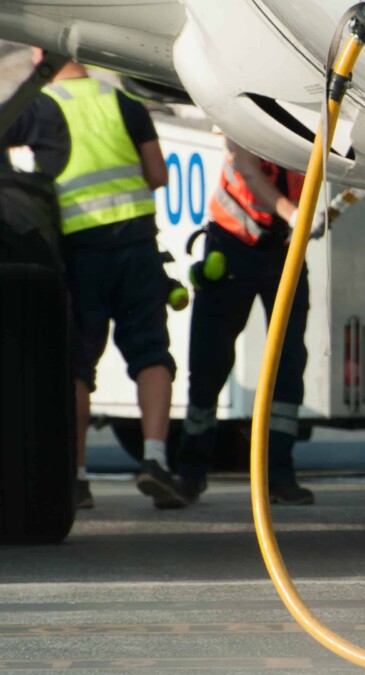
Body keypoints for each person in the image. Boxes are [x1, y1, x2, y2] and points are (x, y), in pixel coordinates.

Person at [0, 50, 186, 509]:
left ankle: (77, 476)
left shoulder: (39, 106)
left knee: (79, 362)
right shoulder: (125, 103)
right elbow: (157, 175)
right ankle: (156, 460)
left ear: (42, 53)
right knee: (150, 353)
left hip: (81, 250)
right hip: (139, 244)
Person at [176, 138, 321, 505]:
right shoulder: (244, 100)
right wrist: (295, 214)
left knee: (287, 364)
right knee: (210, 362)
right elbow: (249, 172)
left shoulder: (312, 113)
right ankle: (190, 474)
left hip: (284, 248)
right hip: (232, 245)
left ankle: (279, 475)